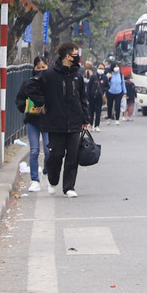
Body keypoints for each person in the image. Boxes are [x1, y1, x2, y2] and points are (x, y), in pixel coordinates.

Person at [25, 42, 89, 198]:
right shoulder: (49, 75)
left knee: (72, 156)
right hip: (55, 123)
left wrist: (85, 119)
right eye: (75, 54)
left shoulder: (77, 76)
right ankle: (53, 180)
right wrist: (40, 103)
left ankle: (69, 187)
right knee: (56, 155)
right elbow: (30, 87)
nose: (78, 57)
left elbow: (83, 99)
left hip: (74, 123)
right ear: (67, 56)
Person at [15, 57, 50, 192]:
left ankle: (47, 172)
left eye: (43, 67)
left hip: (48, 122)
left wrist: (47, 107)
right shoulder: (27, 84)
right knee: (34, 151)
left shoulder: (52, 84)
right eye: (38, 68)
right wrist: (27, 107)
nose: (41, 70)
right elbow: (19, 100)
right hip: (32, 121)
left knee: (48, 151)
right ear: (34, 68)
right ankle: (35, 180)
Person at [85, 63, 106, 131]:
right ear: (97, 68)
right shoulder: (93, 77)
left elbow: (107, 86)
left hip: (99, 98)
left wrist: (103, 91)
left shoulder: (105, 78)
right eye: (99, 68)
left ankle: (97, 125)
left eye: (102, 68)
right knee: (91, 111)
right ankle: (91, 124)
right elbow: (89, 87)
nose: (101, 70)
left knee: (98, 112)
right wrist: (87, 96)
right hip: (92, 97)